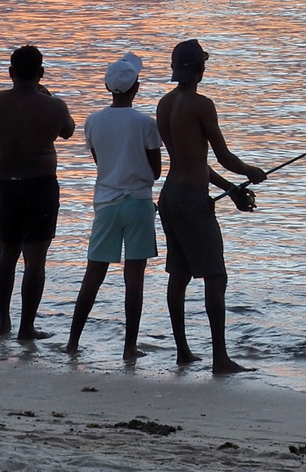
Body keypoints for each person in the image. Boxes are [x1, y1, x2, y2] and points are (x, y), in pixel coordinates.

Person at [154, 39, 266, 374]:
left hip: (170, 197)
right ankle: (220, 359)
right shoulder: (202, 105)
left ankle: (183, 352)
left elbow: (193, 160)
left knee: (179, 274)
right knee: (215, 277)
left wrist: (231, 189)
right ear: (200, 68)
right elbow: (223, 156)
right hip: (190, 200)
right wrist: (251, 172)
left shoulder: (163, 104)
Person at [65, 52, 162, 360]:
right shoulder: (146, 123)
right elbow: (156, 171)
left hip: (106, 204)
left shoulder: (93, 121)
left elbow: (101, 163)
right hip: (139, 204)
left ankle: (72, 343)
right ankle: (129, 347)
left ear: (108, 88)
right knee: (134, 279)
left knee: (93, 275)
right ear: (136, 87)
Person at [0, 44, 74, 341]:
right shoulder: (53, 106)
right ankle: (26, 327)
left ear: (10, 72)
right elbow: (68, 131)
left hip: (6, 183)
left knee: (6, 254)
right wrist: (46, 95)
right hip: (40, 184)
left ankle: (2, 321)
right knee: (35, 259)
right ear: (41, 73)